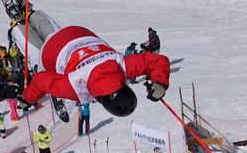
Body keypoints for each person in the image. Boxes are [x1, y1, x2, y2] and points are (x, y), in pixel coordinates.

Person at [13, 11, 170, 117]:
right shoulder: (76, 86)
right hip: (54, 52)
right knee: (38, 60)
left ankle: (33, 15)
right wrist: (27, 98)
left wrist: (160, 83)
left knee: (56, 34)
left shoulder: (123, 66)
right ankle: (17, 27)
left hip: (79, 34)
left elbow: (157, 61)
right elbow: (41, 80)